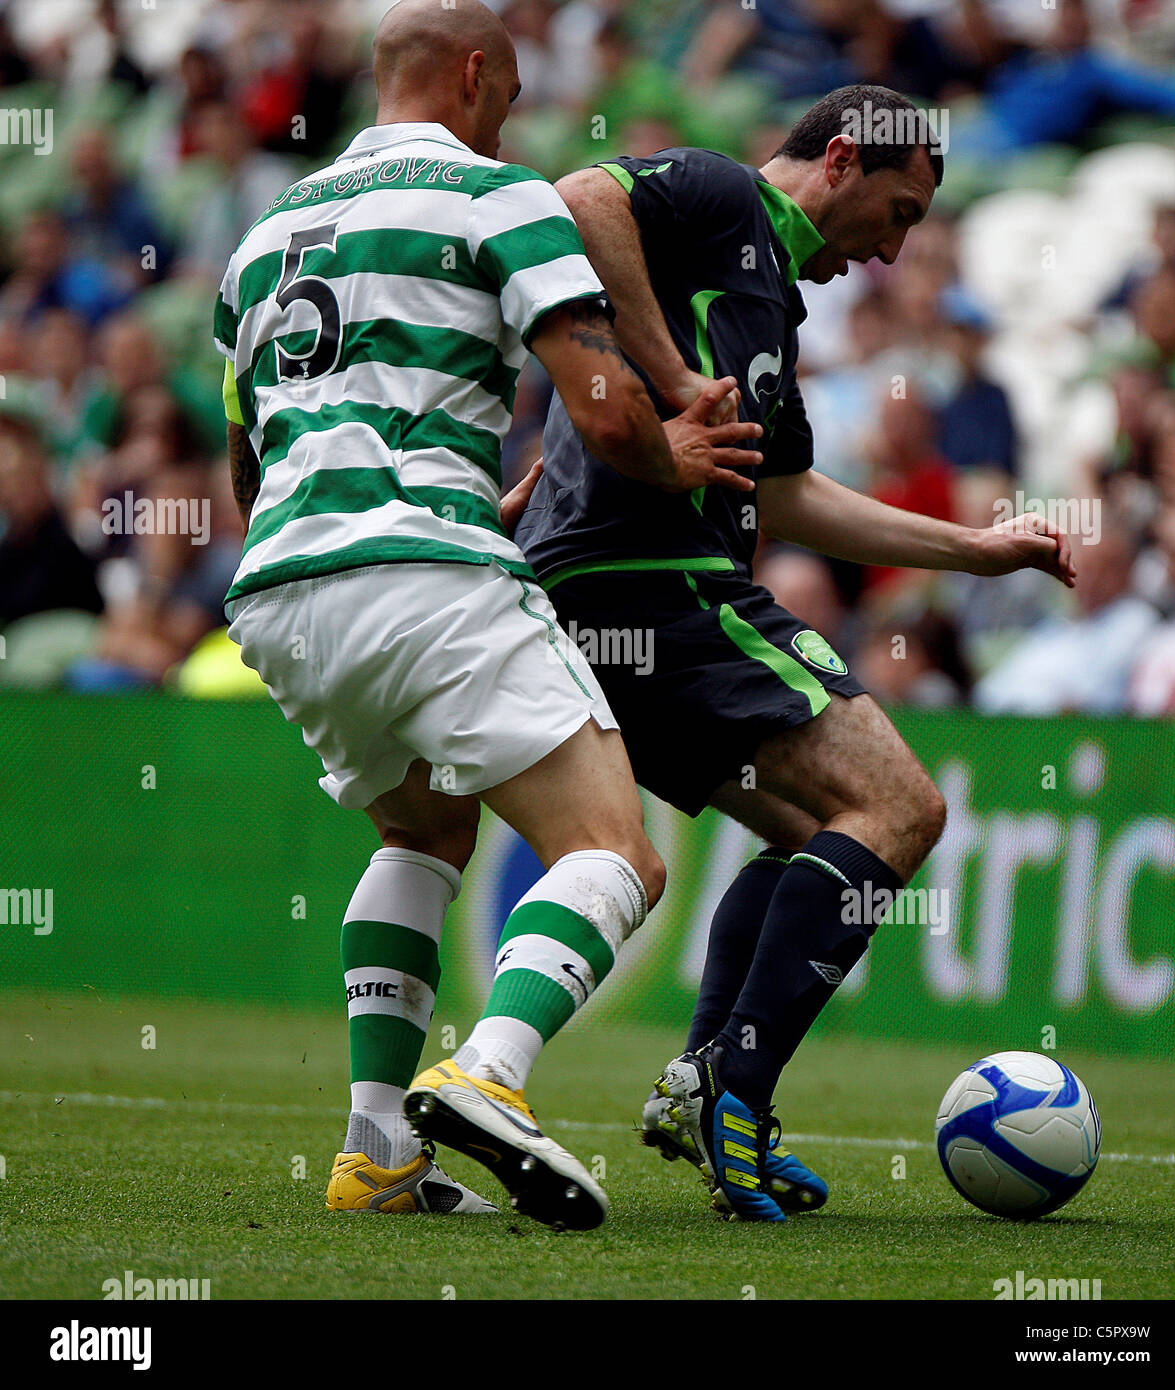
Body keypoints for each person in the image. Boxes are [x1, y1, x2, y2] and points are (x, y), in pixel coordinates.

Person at [214, 0, 758, 1231]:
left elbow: (251, 470)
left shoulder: (264, 235)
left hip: (284, 591)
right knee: (614, 850)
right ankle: (487, 1074)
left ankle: (375, 1153)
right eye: (506, 95)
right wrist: (672, 452)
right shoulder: (500, 197)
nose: (510, 117)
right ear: (471, 75)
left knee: (424, 833)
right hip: (425, 575)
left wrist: (452, 483)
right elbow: (607, 409)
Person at [516, 84, 1075, 1222]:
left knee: (808, 830)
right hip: (653, 578)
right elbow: (577, 196)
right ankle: (738, 1088)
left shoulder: (771, 303)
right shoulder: (725, 198)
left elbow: (790, 497)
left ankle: (698, 1084)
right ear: (838, 159)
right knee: (903, 807)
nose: (893, 246)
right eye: (901, 210)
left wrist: (974, 548)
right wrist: (672, 384)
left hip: (610, 593)